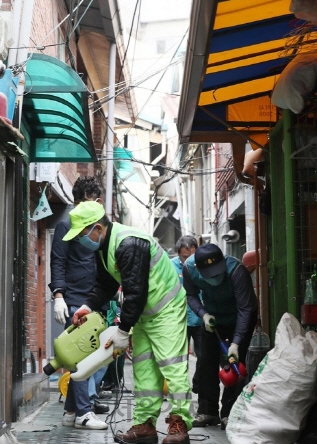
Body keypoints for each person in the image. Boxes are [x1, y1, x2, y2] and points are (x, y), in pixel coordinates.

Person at [63, 201, 193, 444]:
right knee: (144, 369)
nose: (82, 240)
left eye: (82, 234)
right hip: (145, 312)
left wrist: (123, 330)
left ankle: (179, 425)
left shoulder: (129, 243)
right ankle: (145, 425)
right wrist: (87, 306)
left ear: (98, 228)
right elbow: (105, 285)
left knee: (172, 366)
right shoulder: (103, 248)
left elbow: (135, 292)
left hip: (167, 308)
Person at [49, 176, 115, 430]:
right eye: (84, 204)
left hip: (94, 299)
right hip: (74, 300)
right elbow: (57, 261)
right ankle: (83, 413)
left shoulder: (99, 227)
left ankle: (70, 411)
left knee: (89, 355)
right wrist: (58, 296)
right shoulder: (67, 226)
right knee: (80, 356)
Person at [182, 243, 257, 430]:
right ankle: (208, 411)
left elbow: (246, 309)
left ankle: (229, 412)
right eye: (210, 274)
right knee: (205, 362)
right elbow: (190, 295)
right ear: (199, 270)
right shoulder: (189, 270)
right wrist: (203, 314)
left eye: (218, 272)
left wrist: (236, 342)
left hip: (238, 320)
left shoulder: (236, 271)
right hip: (212, 320)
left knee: (234, 367)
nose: (216, 277)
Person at [171, 236, 202, 394]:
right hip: (179, 319)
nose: (189, 260)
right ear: (178, 253)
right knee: (179, 357)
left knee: (203, 357)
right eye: (185, 257)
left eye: (192, 256)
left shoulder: (202, 265)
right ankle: (180, 389)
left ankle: (198, 384)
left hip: (200, 319)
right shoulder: (170, 268)